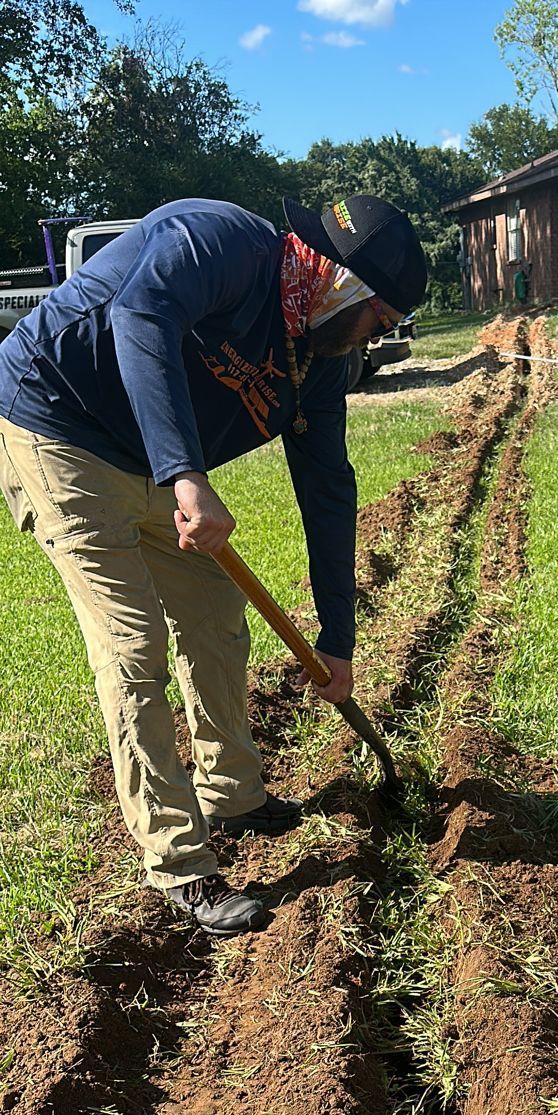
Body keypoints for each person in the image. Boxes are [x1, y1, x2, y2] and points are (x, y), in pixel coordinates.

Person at [0, 194, 427, 935]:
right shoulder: (218, 240)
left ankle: (233, 794)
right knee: (132, 643)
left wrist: (337, 639)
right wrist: (186, 474)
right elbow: (141, 318)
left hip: (151, 456)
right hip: (56, 421)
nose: (370, 340)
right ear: (343, 284)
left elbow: (328, 491)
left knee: (215, 615)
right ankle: (180, 866)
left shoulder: (319, 365)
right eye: (377, 322)